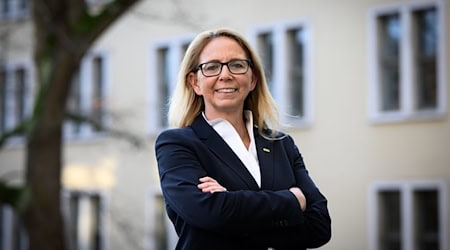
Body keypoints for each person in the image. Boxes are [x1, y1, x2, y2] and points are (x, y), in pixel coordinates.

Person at [155, 27, 331, 250]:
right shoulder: (176, 144)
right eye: (211, 67)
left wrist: (231, 204)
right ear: (195, 82)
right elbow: (209, 214)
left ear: (253, 79)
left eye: (237, 65)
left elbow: (320, 227)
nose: (225, 75)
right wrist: (293, 200)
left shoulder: (281, 144)